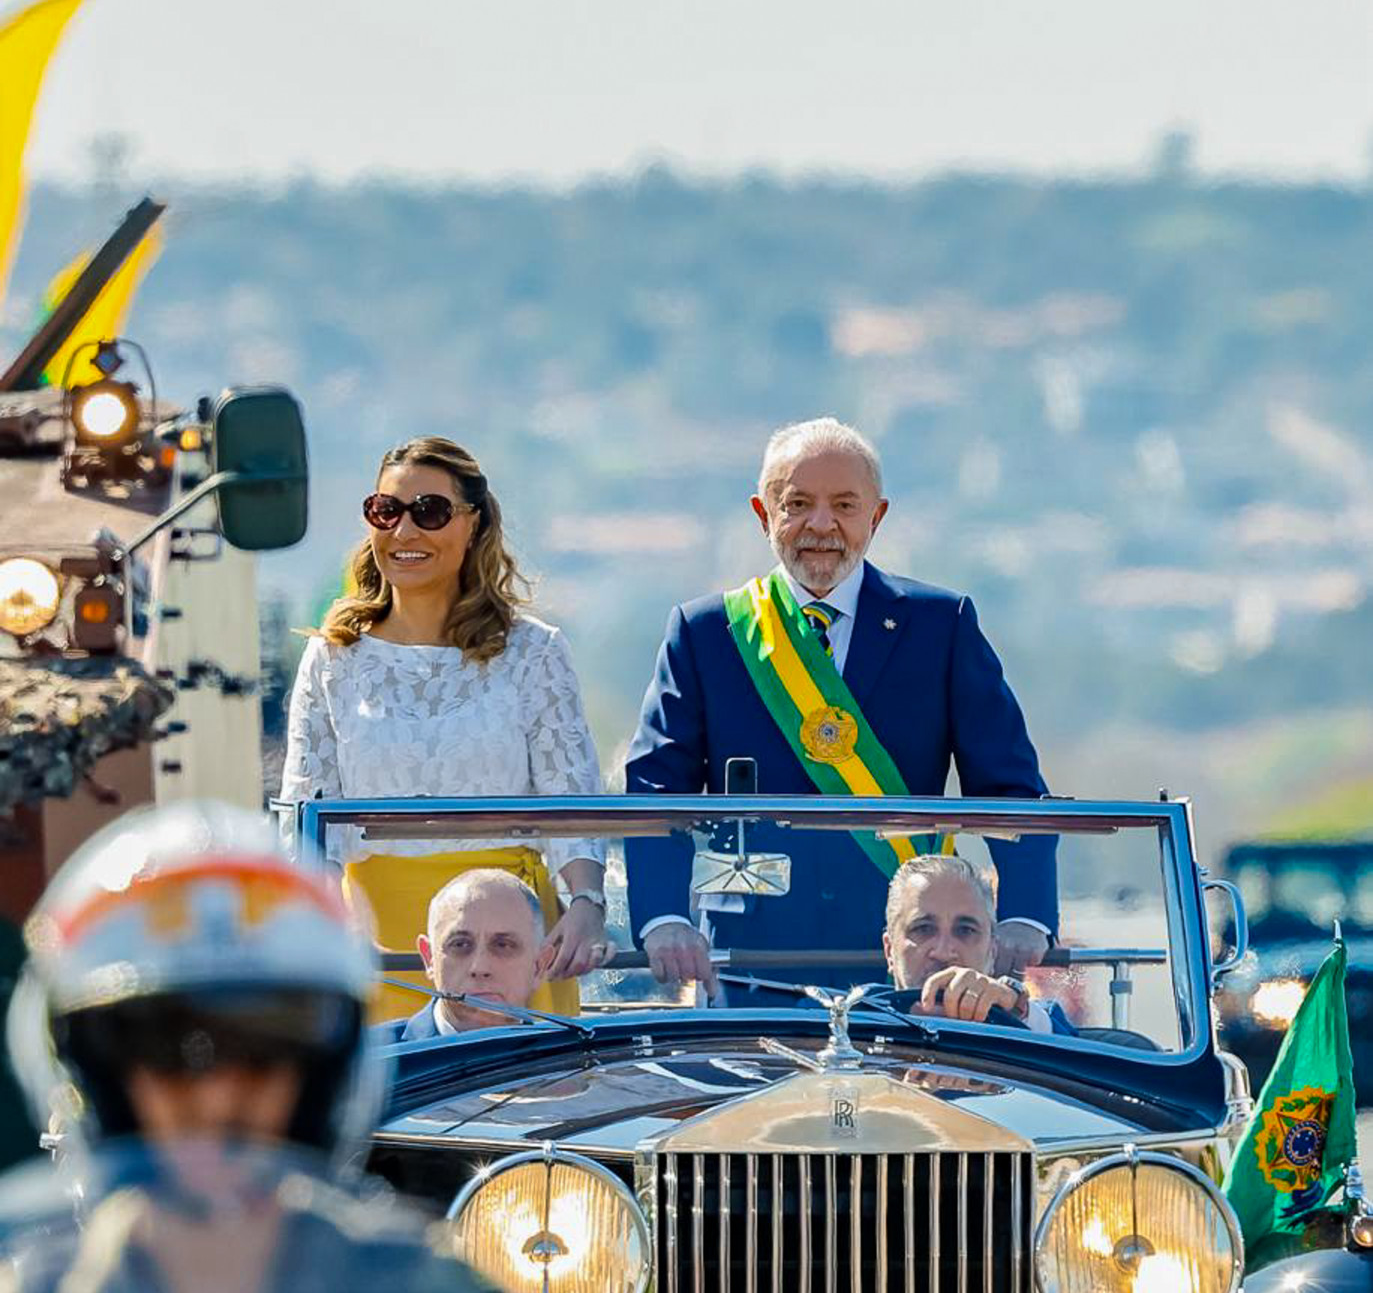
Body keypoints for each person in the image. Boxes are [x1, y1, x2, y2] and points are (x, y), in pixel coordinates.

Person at [3, 801, 582, 1293]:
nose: (217, 1101)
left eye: (261, 1057)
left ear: (318, 1075)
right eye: (169, 1056)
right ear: (99, 1077)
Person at [625, 416, 1058, 998]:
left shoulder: (940, 625)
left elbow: (1011, 786)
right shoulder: (708, 632)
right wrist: (664, 918)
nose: (821, 525)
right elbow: (655, 789)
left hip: (906, 958)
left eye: (845, 506)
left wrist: (1026, 915)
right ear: (763, 514)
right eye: (797, 503)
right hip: (749, 961)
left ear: (876, 517)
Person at [280, 435, 609, 1018]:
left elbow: (572, 798)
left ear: (473, 525)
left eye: (428, 512)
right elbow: (305, 814)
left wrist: (586, 901)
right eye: (386, 511)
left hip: (508, 933)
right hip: (379, 943)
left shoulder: (534, 652)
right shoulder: (333, 659)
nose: (404, 532)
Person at [881, 853, 1075, 1035]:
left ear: (992, 951)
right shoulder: (857, 1011)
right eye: (923, 929)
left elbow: (1076, 1058)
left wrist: (1015, 1009)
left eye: (965, 930)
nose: (944, 953)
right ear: (890, 950)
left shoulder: (1026, 1017)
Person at [388, 866, 548, 1040]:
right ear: (429, 958)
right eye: (460, 944)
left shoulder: (570, 1061)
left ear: (539, 966)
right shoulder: (365, 1059)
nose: (480, 967)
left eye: (503, 945)